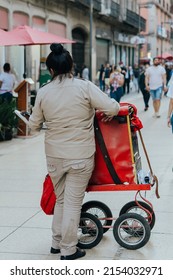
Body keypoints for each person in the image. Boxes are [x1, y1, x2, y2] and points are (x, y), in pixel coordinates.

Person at [28, 43, 120, 260]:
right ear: (71, 67)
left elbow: (33, 125)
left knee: (61, 200)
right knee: (71, 203)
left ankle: (56, 242)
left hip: (54, 156)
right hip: (80, 156)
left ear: (50, 70)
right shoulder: (84, 87)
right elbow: (112, 107)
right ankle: (68, 249)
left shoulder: (43, 92)